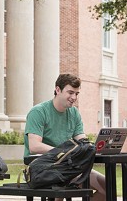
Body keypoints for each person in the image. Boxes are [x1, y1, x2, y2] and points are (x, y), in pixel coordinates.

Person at [24, 73, 106, 201]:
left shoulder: (74, 113)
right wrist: (65, 152)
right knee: (61, 191)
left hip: (69, 166)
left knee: (106, 187)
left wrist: (88, 148)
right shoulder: (38, 112)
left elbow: (81, 141)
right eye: (70, 92)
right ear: (57, 90)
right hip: (43, 168)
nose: (74, 97)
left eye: (77, 94)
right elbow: (34, 146)